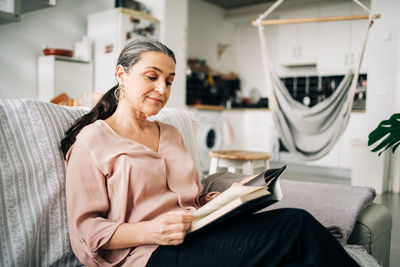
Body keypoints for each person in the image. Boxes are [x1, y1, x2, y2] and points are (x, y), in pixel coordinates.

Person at [61, 39, 359, 267]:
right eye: (151, 77)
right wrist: (152, 231)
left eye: (169, 80)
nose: (162, 89)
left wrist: (227, 199)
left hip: (199, 233)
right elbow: (86, 232)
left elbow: (190, 199)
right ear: (121, 75)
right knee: (296, 225)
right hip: (148, 254)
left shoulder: (171, 134)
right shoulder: (92, 140)